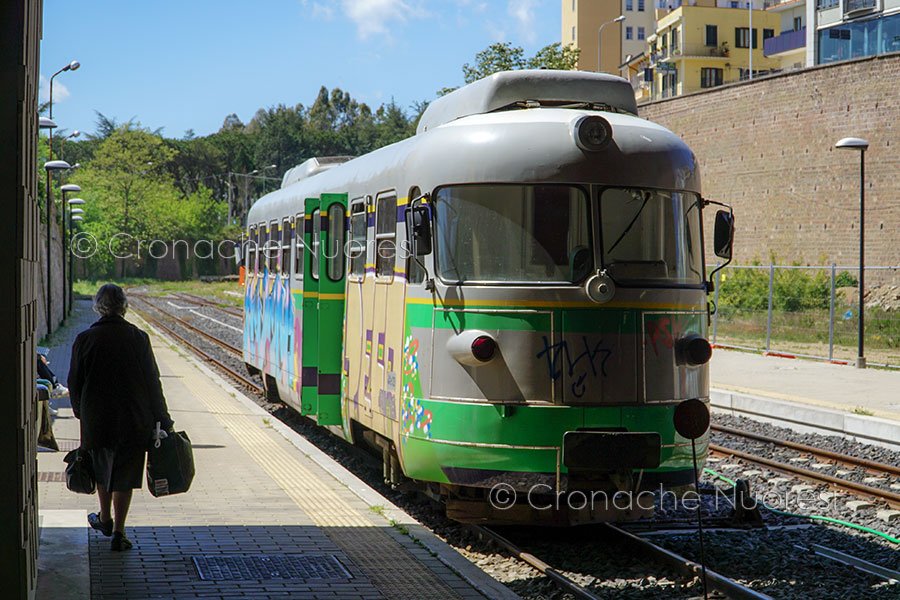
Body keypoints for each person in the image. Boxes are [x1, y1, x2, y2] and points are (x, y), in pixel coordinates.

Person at [68, 284, 174, 551]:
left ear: (98, 306)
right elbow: (153, 383)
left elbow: (75, 382)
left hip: (97, 419)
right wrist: (163, 419)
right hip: (133, 419)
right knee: (125, 475)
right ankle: (119, 531)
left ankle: (104, 517)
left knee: (103, 470)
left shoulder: (84, 339)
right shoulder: (139, 338)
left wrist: (80, 411)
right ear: (124, 306)